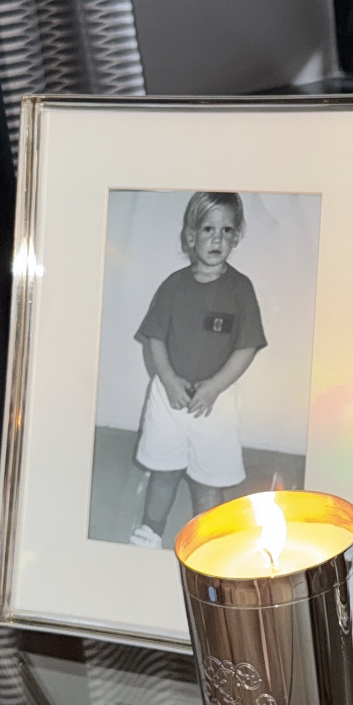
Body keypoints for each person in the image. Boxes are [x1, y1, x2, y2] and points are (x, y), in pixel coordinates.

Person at [129, 191, 266, 547]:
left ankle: (209, 543)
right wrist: (168, 379)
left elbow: (247, 347)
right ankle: (151, 530)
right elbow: (155, 339)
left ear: (237, 236)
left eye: (226, 230)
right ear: (191, 236)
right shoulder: (173, 286)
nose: (217, 239)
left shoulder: (240, 289)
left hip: (215, 402)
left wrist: (215, 386)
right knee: (163, 473)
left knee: (209, 482)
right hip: (169, 397)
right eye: (208, 229)